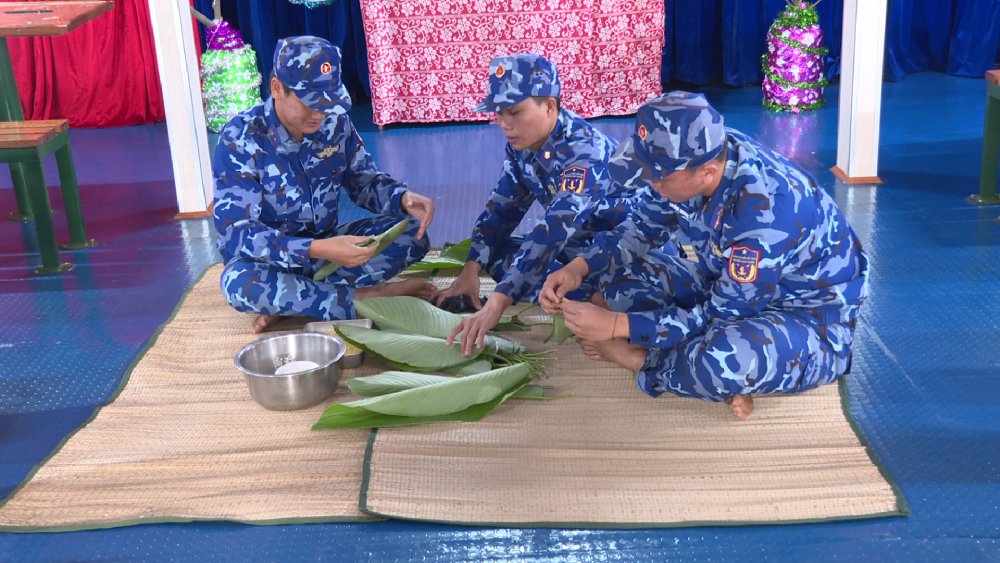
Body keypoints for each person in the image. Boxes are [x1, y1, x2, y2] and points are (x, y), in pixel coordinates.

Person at [540, 91, 869, 420]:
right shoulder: (696, 159)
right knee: (617, 272)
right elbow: (640, 229)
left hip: (806, 319)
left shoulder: (763, 213)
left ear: (707, 173)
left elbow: (722, 312)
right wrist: (578, 268)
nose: (652, 183)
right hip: (724, 285)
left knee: (724, 359)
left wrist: (615, 327)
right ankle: (684, 360)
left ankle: (639, 360)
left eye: (658, 177)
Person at [435, 53, 671, 355]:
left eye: (515, 112)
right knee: (499, 258)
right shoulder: (523, 145)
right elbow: (501, 211)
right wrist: (469, 273)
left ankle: (606, 308)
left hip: (626, 253)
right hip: (576, 251)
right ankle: (588, 301)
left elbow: (552, 232)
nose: (505, 124)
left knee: (627, 290)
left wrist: (496, 303)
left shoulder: (584, 152)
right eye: (498, 113)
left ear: (550, 106)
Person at [213, 36, 435, 334]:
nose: (320, 113)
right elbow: (236, 232)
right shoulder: (241, 136)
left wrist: (401, 198)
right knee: (239, 284)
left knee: (411, 234)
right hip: (270, 262)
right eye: (310, 103)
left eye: (328, 102)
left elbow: (363, 181)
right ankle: (364, 299)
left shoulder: (335, 123)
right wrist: (316, 248)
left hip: (330, 253)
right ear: (277, 88)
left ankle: (295, 301)